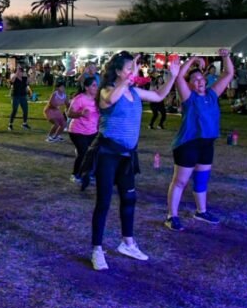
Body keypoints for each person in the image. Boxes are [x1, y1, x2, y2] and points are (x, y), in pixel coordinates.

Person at [89, 51, 180, 271]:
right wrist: (127, 80)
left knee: (129, 199)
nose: (133, 71)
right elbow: (111, 99)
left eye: (133, 68)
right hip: (108, 154)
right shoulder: (106, 90)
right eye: (129, 68)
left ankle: (128, 243)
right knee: (104, 202)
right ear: (118, 71)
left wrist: (173, 76)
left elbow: (158, 96)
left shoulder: (134, 92)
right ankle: (97, 249)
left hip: (127, 156)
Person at [165, 49, 233, 231]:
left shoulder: (212, 94)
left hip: (206, 144)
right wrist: (193, 59)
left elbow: (229, 73)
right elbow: (179, 77)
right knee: (180, 182)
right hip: (188, 144)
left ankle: (201, 211)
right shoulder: (189, 97)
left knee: (202, 180)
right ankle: (172, 216)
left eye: (201, 78)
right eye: (194, 79)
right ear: (189, 84)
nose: (199, 81)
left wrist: (225, 56)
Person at [68, 77, 99, 187]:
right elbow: (69, 114)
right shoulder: (79, 99)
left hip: (92, 131)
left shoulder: (98, 98)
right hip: (77, 131)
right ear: (86, 87)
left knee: (93, 153)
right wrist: (81, 113)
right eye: (93, 85)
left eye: (96, 85)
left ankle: (89, 174)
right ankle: (75, 174)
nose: (96, 87)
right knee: (84, 152)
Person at [7, 65, 31, 131]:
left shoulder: (24, 78)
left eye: (21, 71)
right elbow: (12, 81)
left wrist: (33, 71)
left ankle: (24, 123)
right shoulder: (14, 77)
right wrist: (17, 72)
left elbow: (31, 80)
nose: (21, 72)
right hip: (16, 96)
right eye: (20, 71)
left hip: (23, 96)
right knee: (14, 110)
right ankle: (10, 124)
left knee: (25, 110)